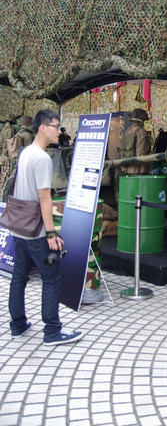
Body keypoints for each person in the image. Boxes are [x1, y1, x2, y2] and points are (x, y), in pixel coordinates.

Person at [8, 109, 83, 345]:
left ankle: (17, 325)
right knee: (51, 278)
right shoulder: (41, 158)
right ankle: (52, 331)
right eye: (56, 126)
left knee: (19, 277)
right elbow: (44, 197)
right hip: (36, 232)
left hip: (19, 227)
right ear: (42, 127)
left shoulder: (26, 152)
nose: (59, 131)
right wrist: (51, 233)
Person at [120, 108, 153, 174]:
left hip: (127, 167)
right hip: (138, 168)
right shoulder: (141, 131)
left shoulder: (128, 130)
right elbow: (141, 152)